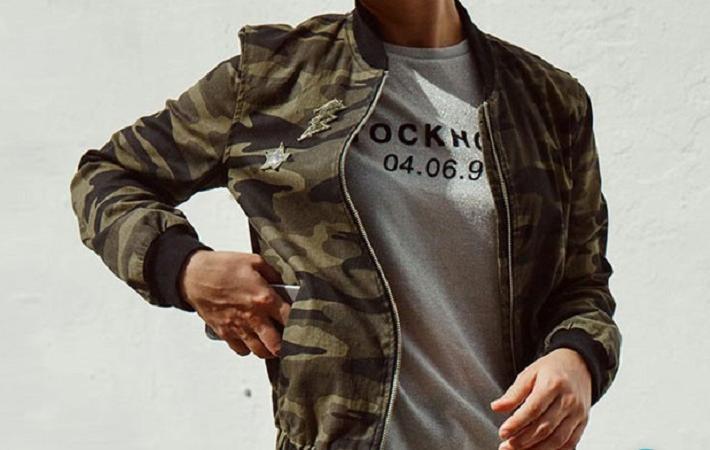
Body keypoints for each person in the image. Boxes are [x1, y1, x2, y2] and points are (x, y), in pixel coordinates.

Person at [69, 0, 622, 449]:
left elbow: (582, 287)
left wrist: (577, 359)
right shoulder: (275, 76)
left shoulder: (549, 102)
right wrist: (185, 268)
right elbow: (107, 176)